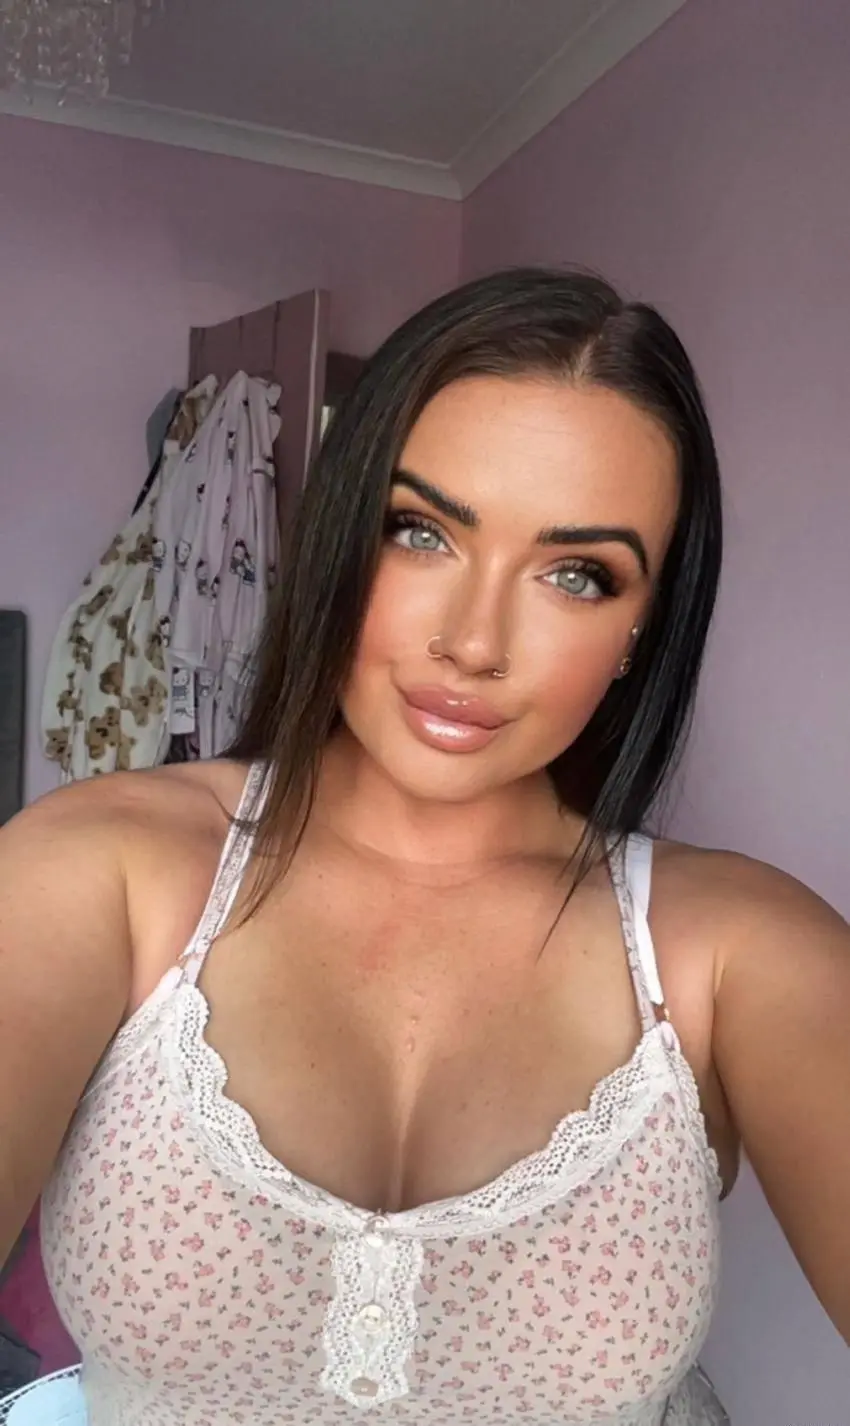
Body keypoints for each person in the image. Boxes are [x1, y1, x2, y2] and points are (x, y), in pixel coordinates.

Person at [0, 269, 847, 1426]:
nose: (472, 641)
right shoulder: (97, 869)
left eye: (575, 574)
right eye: (420, 531)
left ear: (638, 628)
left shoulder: (736, 950)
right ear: (341, 534)